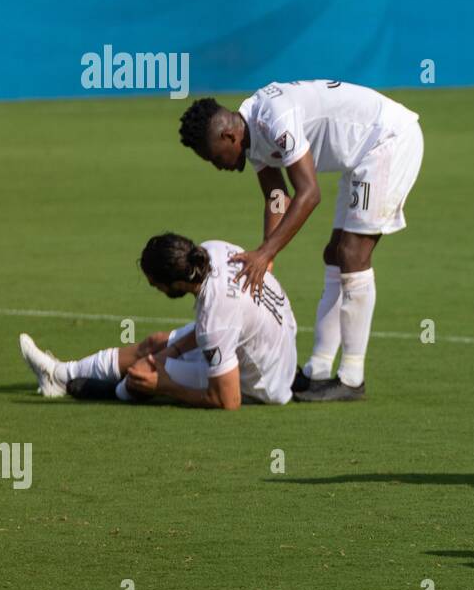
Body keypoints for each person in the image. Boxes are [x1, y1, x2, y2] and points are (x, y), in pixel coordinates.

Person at [178, 81, 423, 402]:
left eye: (213, 157)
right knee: (334, 255)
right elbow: (278, 197)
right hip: (361, 155)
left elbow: (309, 194)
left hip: (388, 142)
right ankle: (318, 370)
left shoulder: (274, 120)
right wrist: (268, 260)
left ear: (229, 136)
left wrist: (265, 253)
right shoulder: (249, 132)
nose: (217, 165)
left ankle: (352, 378)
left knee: (352, 254)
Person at [17, 233, 297, 409]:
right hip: (276, 345)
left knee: (144, 372)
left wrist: (164, 386)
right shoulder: (211, 251)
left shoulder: (216, 317)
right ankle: (58, 375)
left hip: (263, 385)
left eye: (156, 285)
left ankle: (114, 392)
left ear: (175, 282)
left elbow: (228, 400)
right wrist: (170, 351)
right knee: (155, 344)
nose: (156, 290)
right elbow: (216, 326)